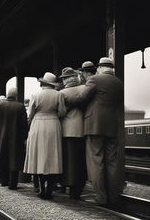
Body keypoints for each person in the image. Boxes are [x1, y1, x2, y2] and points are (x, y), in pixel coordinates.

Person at [77, 57, 124, 205]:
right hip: (113, 126)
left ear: (101, 67)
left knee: (96, 161)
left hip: (95, 125)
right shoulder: (118, 82)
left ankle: (101, 197)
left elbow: (81, 98)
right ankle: (113, 197)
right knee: (112, 162)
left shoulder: (95, 80)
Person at [23, 72, 66, 200]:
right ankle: (49, 191)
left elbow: (30, 114)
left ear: (43, 83)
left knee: (40, 157)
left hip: (38, 125)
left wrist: (28, 127)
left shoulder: (35, 95)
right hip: (53, 125)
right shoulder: (59, 95)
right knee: (53, 157)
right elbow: (63, 112)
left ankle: (41, 189)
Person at [0, 87, 28, 190]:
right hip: (16, 138)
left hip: (1, 137)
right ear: (16, 95)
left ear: (7, 95)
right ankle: (13, 184)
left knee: (3, 159)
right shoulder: (20, 106)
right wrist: (24, 136)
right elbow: (24, 125)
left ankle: (3, 181)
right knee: (14, 160)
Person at [59, 67, 87, 200]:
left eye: (63, 79)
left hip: (67, 130)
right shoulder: (84, 89)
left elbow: (61, 112)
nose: (63, 81)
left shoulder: (62, 93)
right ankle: (78, 188)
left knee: (69, 160)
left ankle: (69, 186)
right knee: (81, 160)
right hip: (83, 129)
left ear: (66, 80)